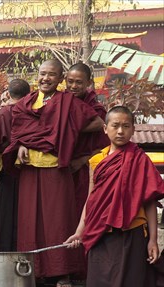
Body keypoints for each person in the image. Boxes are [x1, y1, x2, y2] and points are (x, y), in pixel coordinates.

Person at [65, 106, 164, 287]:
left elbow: (149, 201)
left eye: (126, 126)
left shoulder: (140, 159)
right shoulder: (97, 161)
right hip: (101, 238)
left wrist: (152, 239)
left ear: (133, 129)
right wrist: (80, 230)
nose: (120, 131)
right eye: (115, 126)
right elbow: (92, 199)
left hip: (132, 237)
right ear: (105, 129)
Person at [2, 59, 105, 287]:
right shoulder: (26, 102)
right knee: (29, 221)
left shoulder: (67, 101)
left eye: (52, 75)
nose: (45, 78)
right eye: (42, 73)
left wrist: (66, 130)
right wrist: (20, 145)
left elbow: (99, 123)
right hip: (30, 168)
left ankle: (62, 272)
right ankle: (34, 271)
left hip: (56, 166)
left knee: (58, 219)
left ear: (60, 80)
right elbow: (18, 131)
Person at [66, 63, 109, 220]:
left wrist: (83, 160)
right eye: (70, 81)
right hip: (61, 167)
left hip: (86, 168)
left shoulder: (96, 110)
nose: (73, 86)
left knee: (84, 210)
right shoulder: (59, 103)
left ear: (89, 83)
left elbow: (106, 146)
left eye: (79, 82)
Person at [0, 79, 30, 251]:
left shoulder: (3, 114)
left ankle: (6, 251)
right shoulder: (31, 111)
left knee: (7, 214)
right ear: (29, 95)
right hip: (29, 168)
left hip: (7, 170)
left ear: (8, 94)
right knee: (25, 212)